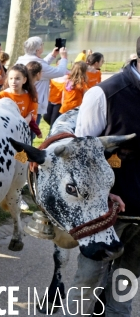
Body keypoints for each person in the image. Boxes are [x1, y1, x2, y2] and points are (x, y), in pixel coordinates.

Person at [66, 37, 140, 317]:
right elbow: (81, 156)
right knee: (87, 282)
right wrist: (101, 195)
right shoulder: (104, 95)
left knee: (125, 286)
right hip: (107, 212)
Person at [15, 36, 68, 123]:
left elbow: (39, 65)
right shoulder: (40, 66)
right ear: (38, 49)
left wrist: (52, 55)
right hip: (35, 104)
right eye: (42, 44)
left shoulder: (21, 60)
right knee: (31, 134)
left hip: (22, 101)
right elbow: (60, 72)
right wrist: (64, 58)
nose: (43, 46)